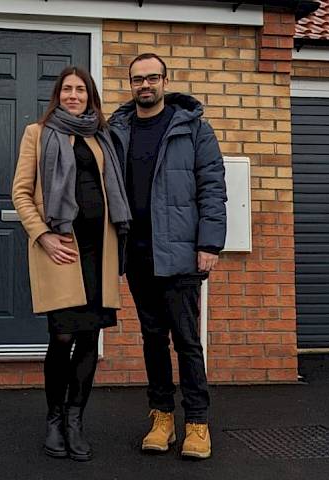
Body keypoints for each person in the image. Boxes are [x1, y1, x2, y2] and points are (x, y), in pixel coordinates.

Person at [109, 53, 227, 460]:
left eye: (152, 78)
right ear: (131, 83)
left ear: (164, 81)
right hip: (138, 255)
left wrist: (209, 244)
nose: (145, 85)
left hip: (180, 255)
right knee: (153, 340)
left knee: (187, 341)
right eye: (138, 79)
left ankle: (197, 422)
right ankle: (161, 418)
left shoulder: (193, 129)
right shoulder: (118, 130)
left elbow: (212, 188)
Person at [12, 66, 131, 462]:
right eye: (67, 89)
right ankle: (54, 419)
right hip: (61, 248)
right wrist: (42, 235)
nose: (74, 95)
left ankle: (76, 421)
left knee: (89, 338)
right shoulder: (38, 133)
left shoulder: (101, 135)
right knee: (62, 336)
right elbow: (20, 193)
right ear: (57, 95)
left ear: (90, 96)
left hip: (101, 248)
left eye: (81, 89)